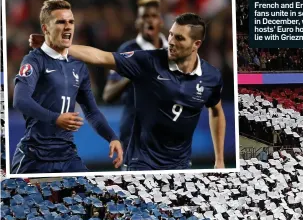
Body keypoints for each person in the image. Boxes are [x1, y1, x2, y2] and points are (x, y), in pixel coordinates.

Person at [65, 12, 226, 171]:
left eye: (179, 38)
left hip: (180, 165)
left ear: (196, 44)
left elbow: (216, 111)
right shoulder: (149, 61)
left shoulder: (211, 77)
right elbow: (102, 57)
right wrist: (60, 46)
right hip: (141, 163)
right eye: (171, 35)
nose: (171, 41)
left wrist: (219, 160)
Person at [12, 0, 122, 174]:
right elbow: (20, 100)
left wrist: (112, 138)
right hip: (35, 155)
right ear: (45, 28)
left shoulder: (79, 66)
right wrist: (56, 118)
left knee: (93, 199)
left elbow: (92, 111)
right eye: (61, 22)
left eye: (71, 21)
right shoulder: (34, 60)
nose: (68, 26)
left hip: (67, 155)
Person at [103, 0, 168, 149]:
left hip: (168, 139)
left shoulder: (173, 50)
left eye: (154, 16)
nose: (149, 21)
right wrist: (131, 77)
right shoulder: (127, 51)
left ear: (161, 20)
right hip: (134, 138)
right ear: (137, 22)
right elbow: (108, 95)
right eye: (144, 16)